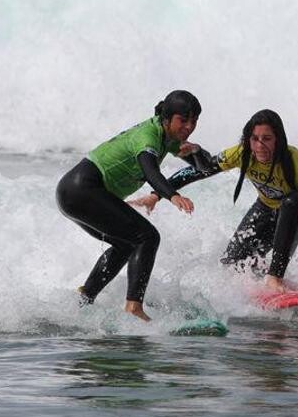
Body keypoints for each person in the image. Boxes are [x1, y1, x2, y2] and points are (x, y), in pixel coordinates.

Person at [136, 109, 298, 294]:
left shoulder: (296, 161)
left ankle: (275, 278)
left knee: (292, 201)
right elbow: (201, 171)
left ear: (278, 140)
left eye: (267, 139)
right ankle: (264, 277)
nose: (260, 146)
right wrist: (157, 195)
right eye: (255, 139)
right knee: (232, 265)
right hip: (267, 209)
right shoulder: (243, 153)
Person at [55, 90, 208, 322]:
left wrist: (195, 150)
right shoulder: (148, 136)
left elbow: (204, 166)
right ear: (167, 118)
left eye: (194, 121)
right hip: (82, 188)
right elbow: (149, 169)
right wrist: (171, 195)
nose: (189, 126)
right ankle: (133, 307)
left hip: (74, 193)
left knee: (126, 244)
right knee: (147, 237)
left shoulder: (169, 136)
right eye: (183, 120)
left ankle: (84, 300)